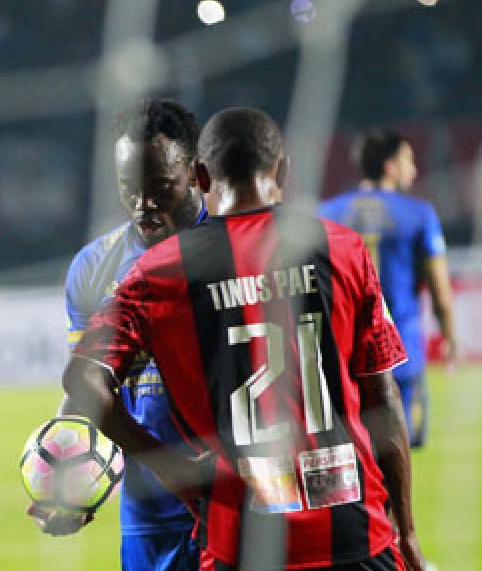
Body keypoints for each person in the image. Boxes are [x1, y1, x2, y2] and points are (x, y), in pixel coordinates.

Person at [64, 107, 424, 569]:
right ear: (284, 170)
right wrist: (407, 531)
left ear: (198, 174)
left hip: (236, 537)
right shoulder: (343, 247)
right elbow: (383, 396)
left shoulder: (156, 273)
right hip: (353, 532)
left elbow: (81, 380)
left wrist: (175, 469)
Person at [32, 98, 204, 570]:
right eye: (130, 189)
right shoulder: (94, 266)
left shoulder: (235, 249)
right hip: (147, 512)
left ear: (196, 173)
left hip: (235, 500)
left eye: (161, 188)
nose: (144, 205)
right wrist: (68, 480)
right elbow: (88, 384)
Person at [320, 129, 459, 447]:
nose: (414, 170)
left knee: (351, 453)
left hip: (343, 352)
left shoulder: (327, 214)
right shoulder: (419, 214)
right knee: (396, 453)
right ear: (389, 166)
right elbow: (440, 289)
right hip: (398, 349)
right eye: (408, 160)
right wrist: (449, 335)